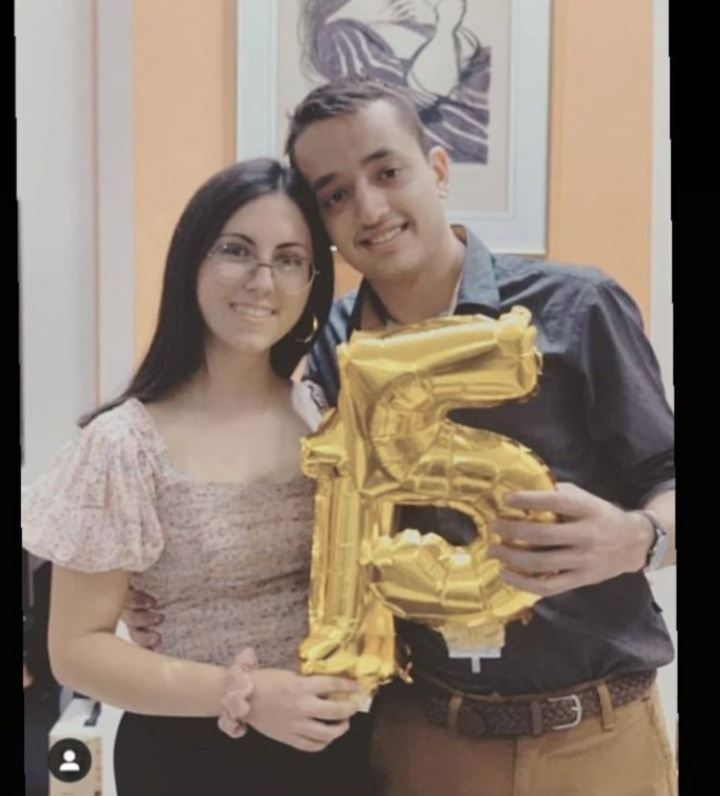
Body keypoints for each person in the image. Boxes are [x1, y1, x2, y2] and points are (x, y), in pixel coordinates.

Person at [282, 78, 676, 796]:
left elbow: (669, 473)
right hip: (424, 741)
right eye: (335, 194)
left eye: (387, 171)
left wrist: (639, 537)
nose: (368, 208)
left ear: (437, 169)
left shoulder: (576, 307)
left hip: (595, 740)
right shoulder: (332, 344)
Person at [21, 158, 373, 796]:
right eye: (236, 250)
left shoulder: (325, 414)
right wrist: (245, 695)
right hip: (189, 755)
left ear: (312, 282)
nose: (262, 280)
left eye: (289, 259)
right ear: (191, 262)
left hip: (337, 747)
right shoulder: (123, 445)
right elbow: (75, 650)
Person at [299, 0, 490, 162]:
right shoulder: (341, 35)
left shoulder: (398, 19)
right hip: (457, 134)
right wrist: (445, 26)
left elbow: (469, 50)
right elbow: (409, 99)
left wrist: (435, 21)